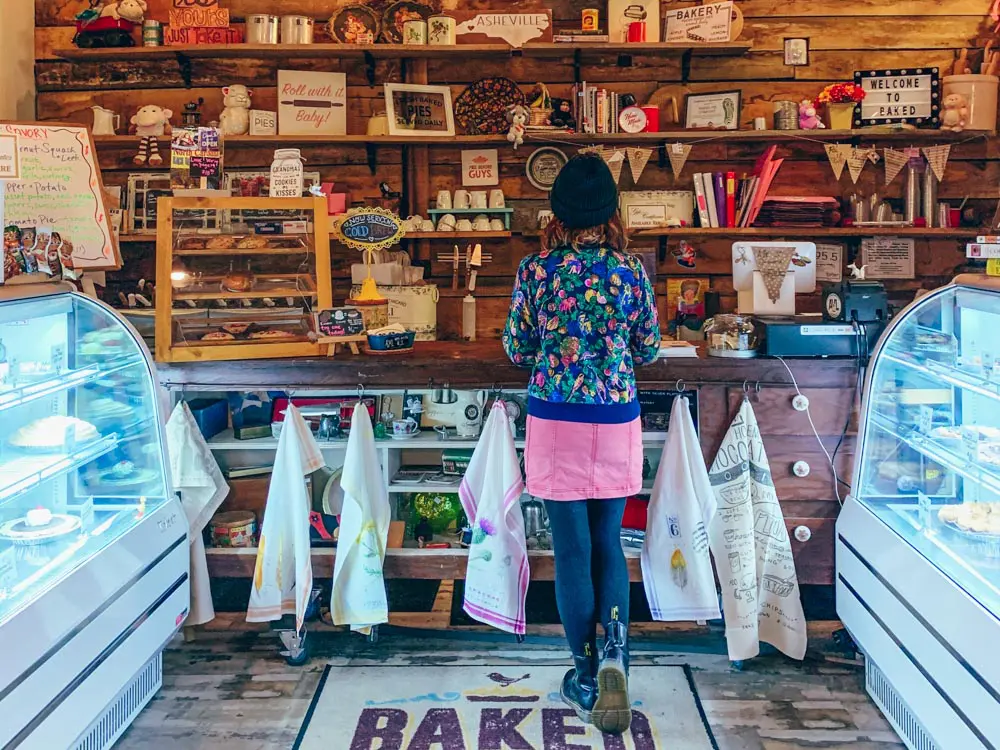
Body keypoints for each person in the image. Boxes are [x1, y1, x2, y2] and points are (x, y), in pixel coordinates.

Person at [502, 153, 660, 734]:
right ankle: (616, 652)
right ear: (612, 210)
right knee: (609, 542)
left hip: (557, 418)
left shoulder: (536, 270)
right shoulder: (631, 271)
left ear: (557, 210)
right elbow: (647, 349)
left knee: (570, 550)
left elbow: (518, 350)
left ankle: (585, 675)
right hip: (614, 417)